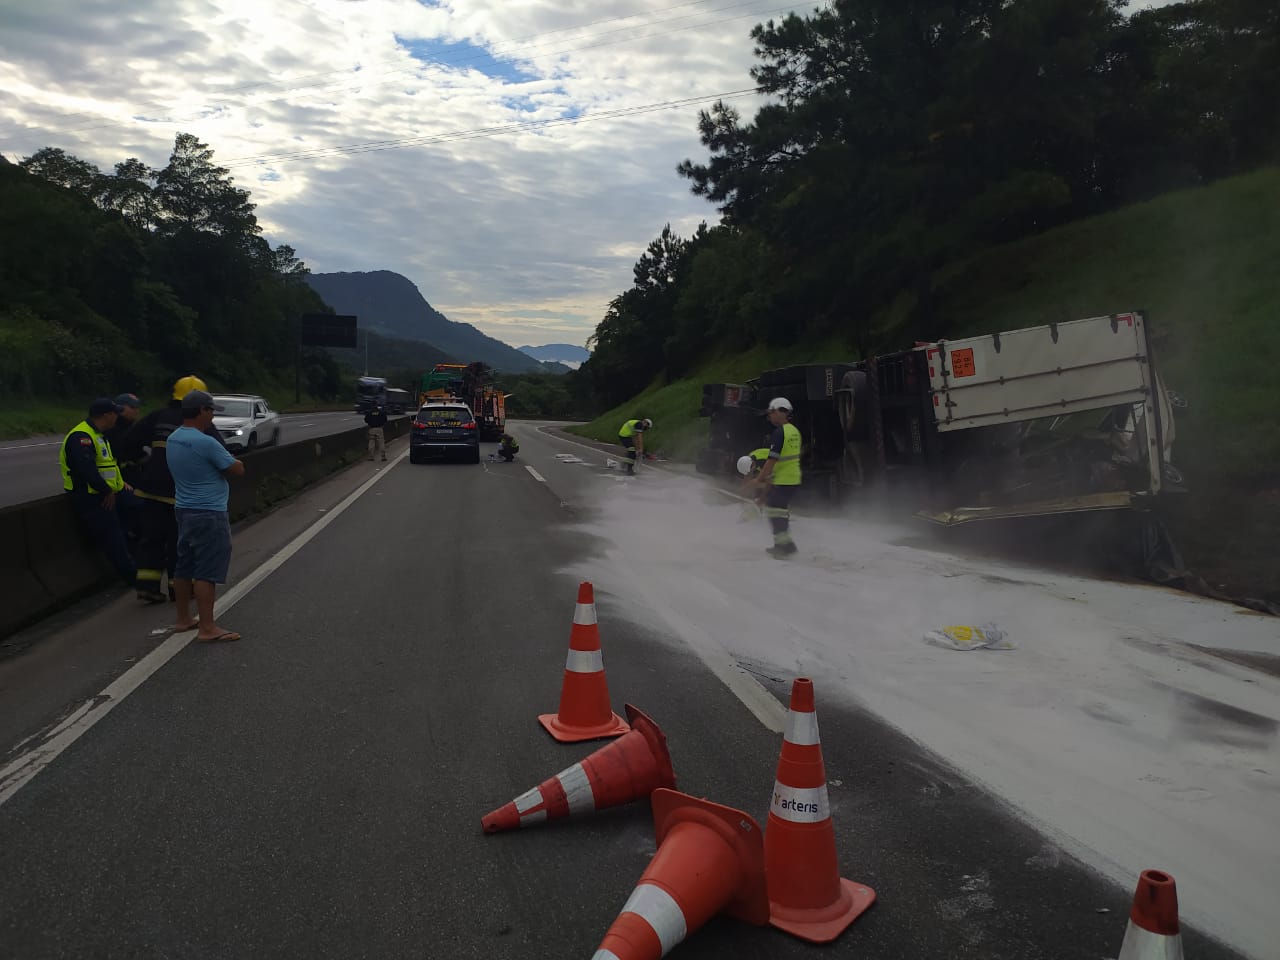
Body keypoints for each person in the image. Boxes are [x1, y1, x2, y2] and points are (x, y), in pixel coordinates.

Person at [116, 375, 227, 604]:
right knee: (181, 543)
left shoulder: (158, 417)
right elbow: (222, 457)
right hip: (182, 495)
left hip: (151, 490)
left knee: (151, 539)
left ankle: (147, 587)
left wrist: (143, 463)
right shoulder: (201, 425)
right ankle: (179, 590)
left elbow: (128, 443)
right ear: (201, 406)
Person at [166, 389, 245, 642]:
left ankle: (183, 619)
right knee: (206, 570)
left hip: (183, 509)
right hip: (209, 512)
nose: (212, 416)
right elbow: (237, 469)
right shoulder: (205, 442)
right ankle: (208, 627)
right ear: (202, 411)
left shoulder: (174, 438)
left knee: (183, 566)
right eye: (211, 410)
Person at [59, 398, 139, 587]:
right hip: (92, 496)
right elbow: (86, 469)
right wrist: (106, 490)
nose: (117, 417)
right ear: (106, 416)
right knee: (113, 538)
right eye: (114, 413)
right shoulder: (81, 436)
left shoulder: (100, 434)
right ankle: (135, 580)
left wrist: (120, 484)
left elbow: (108, 466)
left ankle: (142, 563)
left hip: (110, 492)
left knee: (141, 509)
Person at [747, 397, 802, 558]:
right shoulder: (794, 431)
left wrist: (759, 479)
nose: (769, 416)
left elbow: (772, 460)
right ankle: (785, 545)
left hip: (785, 479)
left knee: (774, 509)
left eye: (771, 412)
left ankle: (784, 547)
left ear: (781, 412)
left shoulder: (779, 433)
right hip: (793, 478)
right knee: (779, 509)